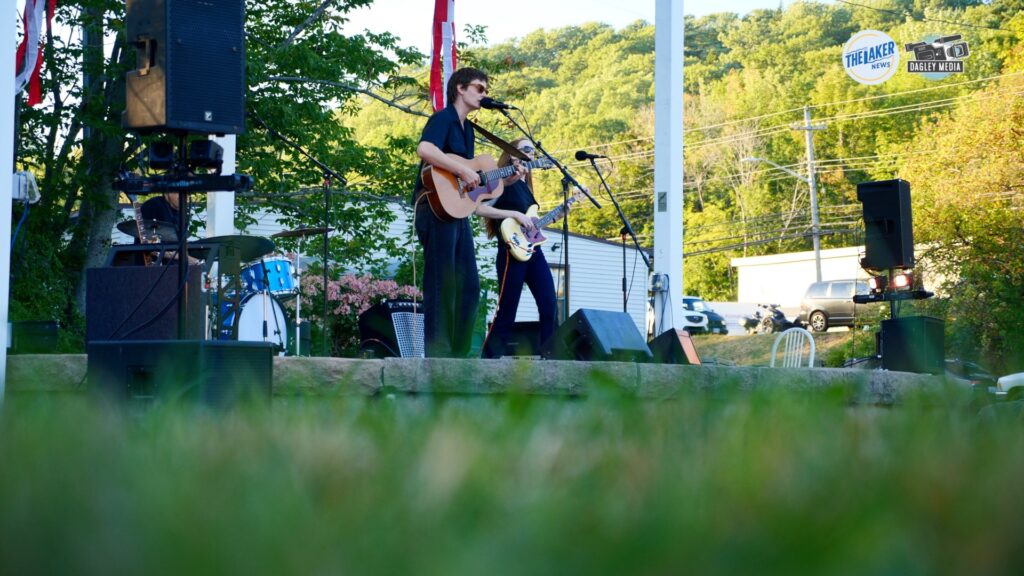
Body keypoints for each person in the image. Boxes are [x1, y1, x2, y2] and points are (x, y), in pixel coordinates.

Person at [413, 67, 529, 357]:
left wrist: (507, 180)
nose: (484, 94)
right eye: (479, 88)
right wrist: (462, 169)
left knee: (469, 287)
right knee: (441, 285)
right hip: (434, 210)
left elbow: (471, 188)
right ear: (460, 88)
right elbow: (425, 149)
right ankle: (438, 358)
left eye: (486, 90)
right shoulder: (443, 118)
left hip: (457, 212)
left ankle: (458, 357)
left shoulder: (468, 130)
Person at [479, 138, 561, 359]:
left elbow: (530, 223)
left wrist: (558, 215)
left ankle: (550, 356)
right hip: (510, 250)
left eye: (532, 151)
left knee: (549, 304)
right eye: (525, 149)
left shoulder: (526, 187)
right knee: (508, 308)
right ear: (511, 154)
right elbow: (479, 209)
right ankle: (489, 360)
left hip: (532, 250)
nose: (530, 154)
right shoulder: (501, 181)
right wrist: (514, 214)